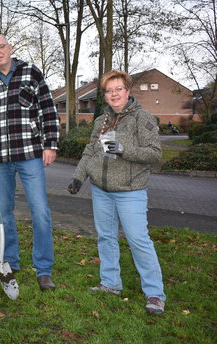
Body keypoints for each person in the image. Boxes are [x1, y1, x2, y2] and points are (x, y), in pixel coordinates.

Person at [67, 70, 166, 315]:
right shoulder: (101, 121)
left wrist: (122, 149)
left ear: (127, 91)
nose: (114, 94)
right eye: (109, 91)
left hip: (130, 192)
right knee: (106, 237)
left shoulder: (142, 118)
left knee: (138, 241)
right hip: (101, 191)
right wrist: (79, 177)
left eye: (118, 89)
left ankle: (155, 294)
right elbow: (91, 151)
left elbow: (154, 154)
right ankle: (110, 284)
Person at [0, 34, 60, 291]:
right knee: (3, 213)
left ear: (11, 48)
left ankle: (43, 269)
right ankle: (11, 262)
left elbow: (48, 110)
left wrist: (51, 144)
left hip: (29, 154)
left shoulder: (31, 72)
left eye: (1, 47)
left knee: (40, 212)